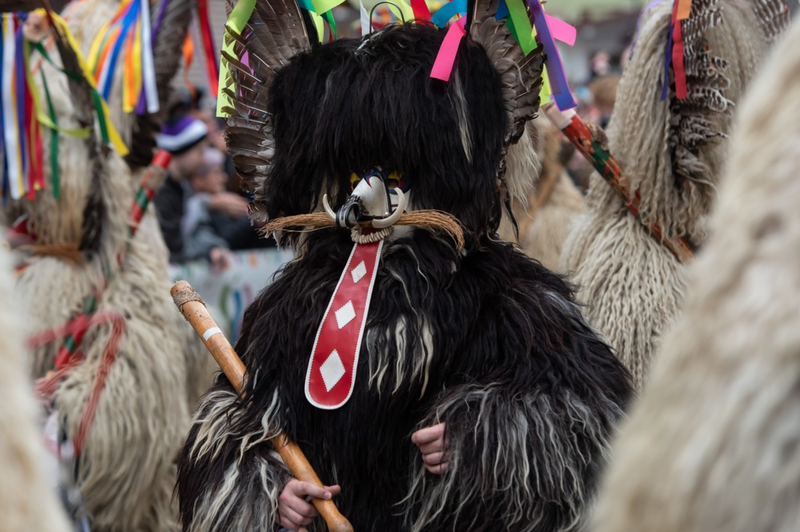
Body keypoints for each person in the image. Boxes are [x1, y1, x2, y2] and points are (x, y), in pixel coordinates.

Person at [177, 2, 634, 532]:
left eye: (393, 171)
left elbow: (597, 423)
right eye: (352, 172)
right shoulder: (286, 309)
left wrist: (482, 439)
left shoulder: (505, 295)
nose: (366, 192)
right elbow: (225, 435)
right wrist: (270, 495)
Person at [154, 114, 232, 269]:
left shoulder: (182, 187)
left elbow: (196, 230)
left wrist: (212, 248)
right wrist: (206, 249)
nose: (204, 160)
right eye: (200, 151)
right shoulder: (159, 192)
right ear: (182, 149)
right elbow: (174, 248)